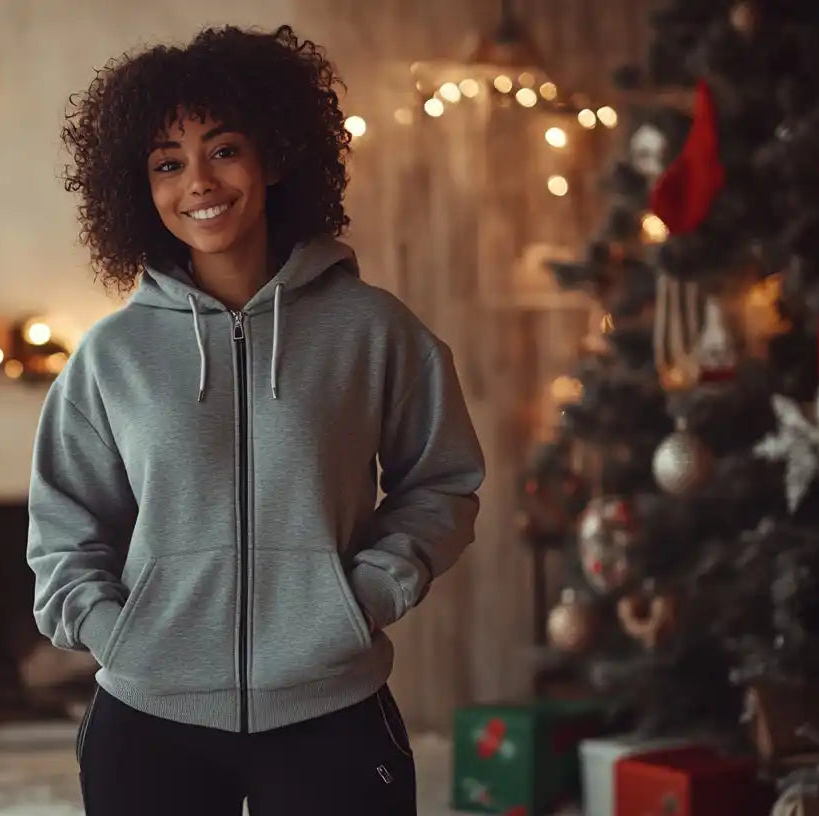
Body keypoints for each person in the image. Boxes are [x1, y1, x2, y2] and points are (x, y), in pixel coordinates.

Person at [27, 23, 484, 816]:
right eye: (168, 163)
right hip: (148, 717)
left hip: (331, 709)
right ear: (141, 188)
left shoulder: (373, 330)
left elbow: (442, 483)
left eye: (223, 149)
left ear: (272, 156)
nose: (198, 181)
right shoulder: (113, 355)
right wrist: (114, 631)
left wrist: (366, 596)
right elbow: (64, 527)